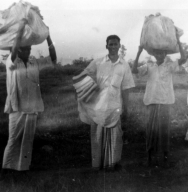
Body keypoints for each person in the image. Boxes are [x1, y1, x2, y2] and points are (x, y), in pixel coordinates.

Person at [2, 19, 57, 173]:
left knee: (27, 140)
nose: (27, 51)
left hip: (32, 107)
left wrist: (48, 37)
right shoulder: (11, 62)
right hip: (17, 106)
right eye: (24, 48)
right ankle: (6, 171)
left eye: (29, 48)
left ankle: (23, 170)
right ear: (18, 49)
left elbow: (53, 59)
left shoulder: (34, 62)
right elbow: (12, 53)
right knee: (13, 139)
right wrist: (20, 30)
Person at [74, 35, 135, 171]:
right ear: (106, 46)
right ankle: (97, 166)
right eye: (110, 44)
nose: (113, 47)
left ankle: (111, 165)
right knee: (97, 136)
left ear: (119, 46)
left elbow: (125, 88)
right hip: (98, 106)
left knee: (115, 137)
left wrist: (126, 107)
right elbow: (83, 75)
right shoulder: (98, 62)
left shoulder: (124, 65)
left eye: (115, 44)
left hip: (115, 106)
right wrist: (83, 89)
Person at [132, 29, 186, 167]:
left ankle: (166, 156)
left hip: (166, 102)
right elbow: (135, 71)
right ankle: (150, 157)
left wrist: (179, 42)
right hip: (152, 101)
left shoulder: (169, 66)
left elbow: (184, 59)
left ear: (165, 54)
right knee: (151, 131)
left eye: (162, 52)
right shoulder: (149, 66)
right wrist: (138, 52)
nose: (160, 54)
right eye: (157, 52)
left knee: (164, 130)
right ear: (154, 54)